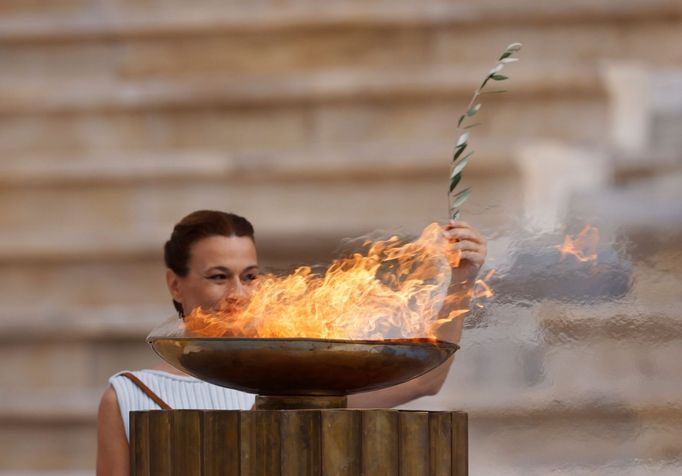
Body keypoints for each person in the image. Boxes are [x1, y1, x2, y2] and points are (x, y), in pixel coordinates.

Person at [96, 210, 486, 475]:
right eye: (218, 276)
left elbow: (423, 381)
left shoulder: (291, 376)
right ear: (175, 284)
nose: (237, 293)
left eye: (249, 276)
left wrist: (463, 279)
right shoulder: (131, 394)